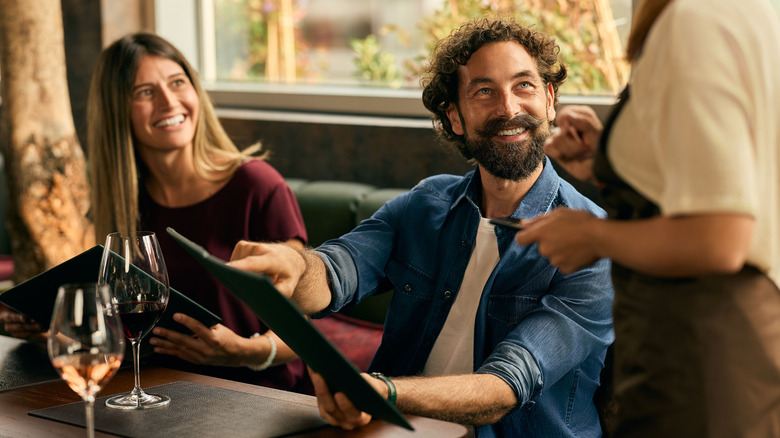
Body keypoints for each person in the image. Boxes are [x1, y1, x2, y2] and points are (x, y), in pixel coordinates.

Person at [228, 18, 614, 437]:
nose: (508, 107)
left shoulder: (593, 241)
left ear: (550, 99)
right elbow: (339, 269)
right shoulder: (426, 204)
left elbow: (505, 385)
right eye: (484, 91)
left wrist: (381, 392)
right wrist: (295, 267)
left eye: (524, 85)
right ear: (455, 118)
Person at [515, 0, 780, 436]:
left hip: (697, 350)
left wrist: (595, 236)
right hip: (731, 340)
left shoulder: (692, 23)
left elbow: (718, 239)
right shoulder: (746, 10)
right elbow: (728, 174)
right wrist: (616, 160)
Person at [84, 33, 309, 392]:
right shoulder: (121, 202)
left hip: (262, 395)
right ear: (116, 111)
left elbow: (304, 330)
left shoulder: (257, 185)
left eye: (177, 83)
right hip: (157, 392)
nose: (169, 102)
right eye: (145, 92)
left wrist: (246, 352)